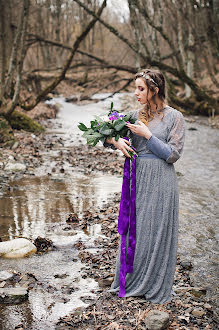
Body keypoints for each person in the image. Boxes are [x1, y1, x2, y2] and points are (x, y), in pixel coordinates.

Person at [105, 68, 186, 304]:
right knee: (135, 229)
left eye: (141, 88)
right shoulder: (133, 115)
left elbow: (173, 155)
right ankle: (130, 281)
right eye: (136, 88)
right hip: (137, 179)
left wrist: (148, 135)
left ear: (154, 90)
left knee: (157, 230)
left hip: (162, 179)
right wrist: (116, 141)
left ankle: (154, 283)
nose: (136, 93)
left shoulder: (175, 117)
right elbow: (103, 133)